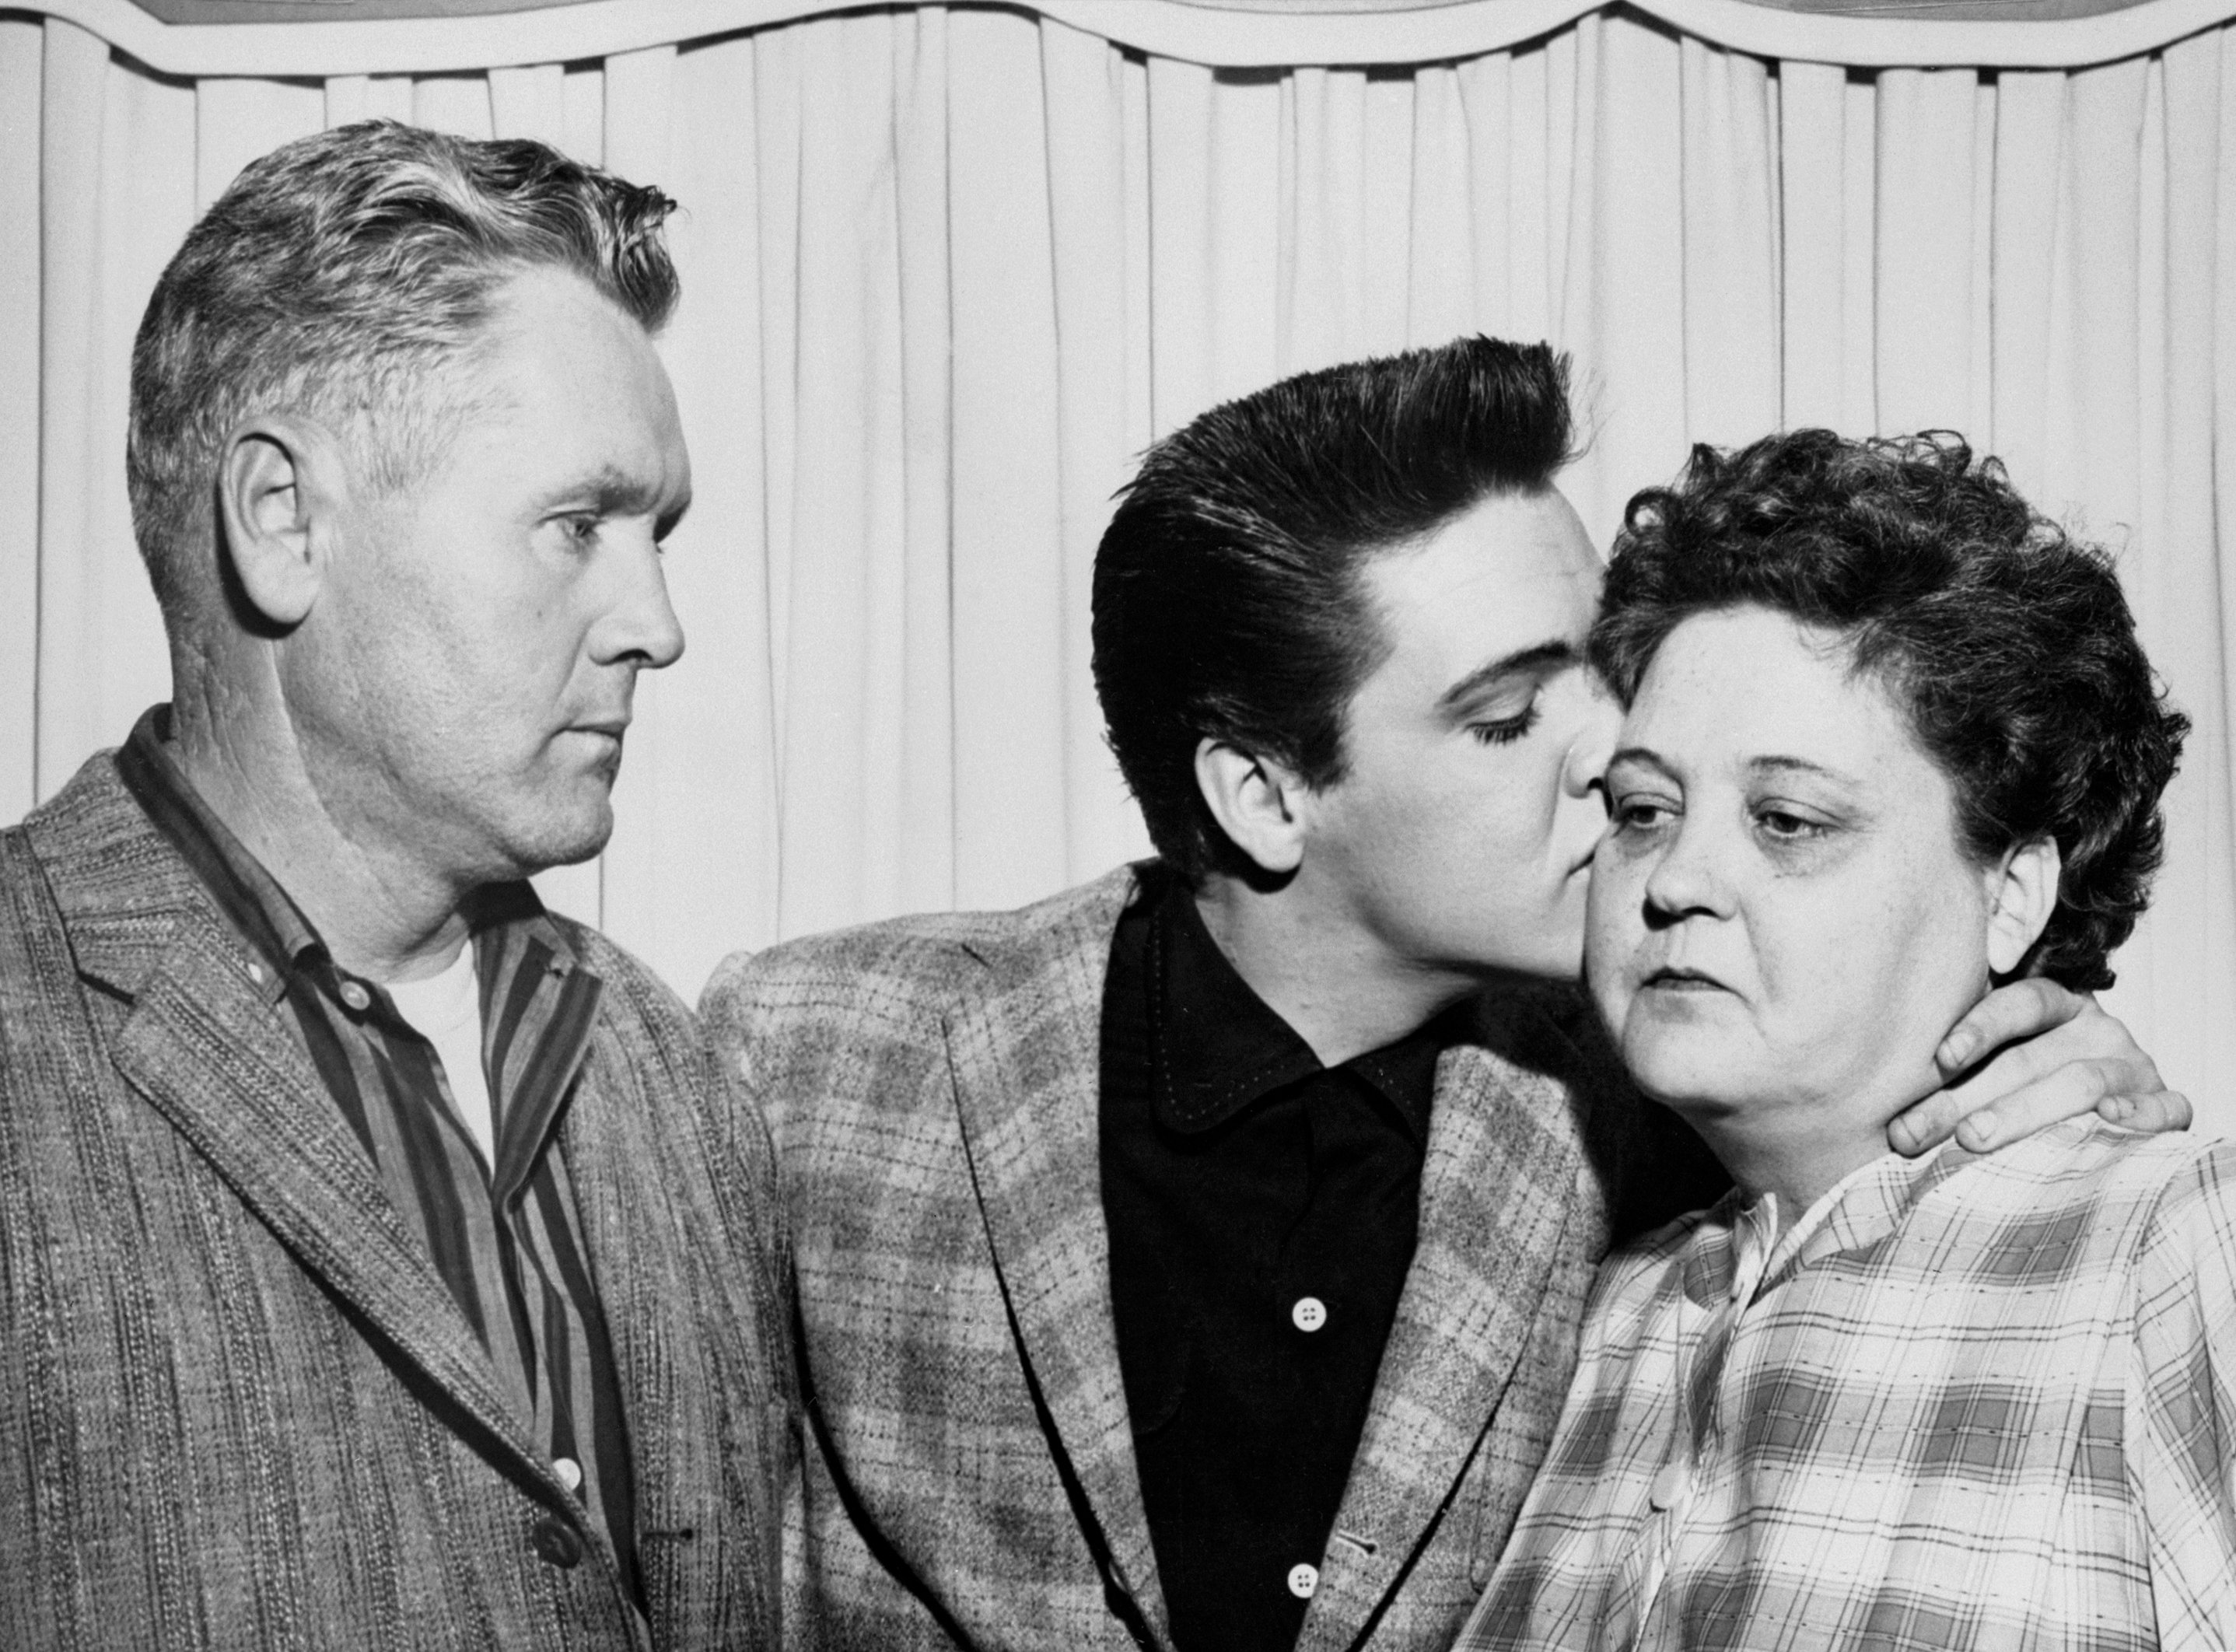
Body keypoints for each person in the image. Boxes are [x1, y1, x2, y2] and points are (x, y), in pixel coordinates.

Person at [702, 340, 2180, 1652]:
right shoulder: (808, 1059)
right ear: (1266, 795)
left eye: (1598, 675)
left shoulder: (1667, 1094)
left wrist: (2061, 1048)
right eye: (1504, 715)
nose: (1616, 754)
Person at [0, 122, 789, 1649]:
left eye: (659, 537)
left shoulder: (669, 1070)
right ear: (284, 524)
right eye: (578, 525)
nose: (658, 625)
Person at [1457, 429, 2234, 1649]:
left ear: (2014, 894)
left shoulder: (2176, 1248)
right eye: (1644, 810)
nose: (1677, 881)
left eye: (1787, 820)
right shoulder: (1608, 1314)